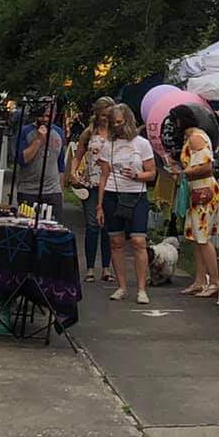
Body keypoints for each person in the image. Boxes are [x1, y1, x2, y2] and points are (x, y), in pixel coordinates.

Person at [97, 105, 157, 306]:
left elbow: (152, 172)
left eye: (120, 122)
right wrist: (99, 205)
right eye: (114, 122)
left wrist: (138, 175)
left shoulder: (142, 144)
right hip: (113, 194)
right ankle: (122, 286)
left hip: (136, 195)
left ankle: (141, 288)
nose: (117, 126)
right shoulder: (108, 145)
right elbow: (104, 176)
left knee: (139, 241)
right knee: (116, 241)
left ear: (128, 120)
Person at [73, 99, 116, 283]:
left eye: (109, 115)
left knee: (107, 227)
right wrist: (73, 173)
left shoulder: (117, 133)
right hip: (91, 183)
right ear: (97, 114)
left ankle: (106, 268)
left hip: (111, 183)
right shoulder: (89, 132)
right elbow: (78, 155)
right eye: (104, 115)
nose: (106, 119)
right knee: (92, 225)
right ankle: (90, 268)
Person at [179, 121, 219, 299]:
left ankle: (214, 281)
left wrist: (185, 172)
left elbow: (206, 165)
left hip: (202, 190)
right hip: (198, 189)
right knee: (197, 237)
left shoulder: (196, 138)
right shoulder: (198, 137)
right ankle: (199, 280)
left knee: (203, 237)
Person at [17, 98, 67, 210]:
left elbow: (61, 164)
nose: (44, 119)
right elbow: (22, 160)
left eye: (48, 116)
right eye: (41, 116)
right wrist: (39, 140)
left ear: (54, 115)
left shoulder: (59, 132)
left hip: (53, 191)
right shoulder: (26, 131)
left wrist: (61, 190)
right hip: (29, 190)